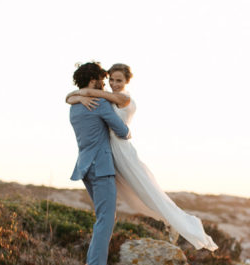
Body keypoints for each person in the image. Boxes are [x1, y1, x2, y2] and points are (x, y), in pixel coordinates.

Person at [67, 63, 218, 251]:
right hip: (107, 154)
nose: (112, 84)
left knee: (146, 190)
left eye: (118, 80)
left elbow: (92, 99)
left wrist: (80, 95)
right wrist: (79, 96)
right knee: (122, 203)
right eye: (110, 80)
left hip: (119, 150)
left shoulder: (120, 98)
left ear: (127, 82)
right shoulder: (100, 101)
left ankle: (176, 221)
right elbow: (93, 102)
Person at [69, 62, 131, 265]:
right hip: (101, 167)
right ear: (92, 79)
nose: (104, 84)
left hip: (85, 166)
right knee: (106, 218)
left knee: (103, 217)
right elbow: (122, 132)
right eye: (101, 80)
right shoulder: (100, 103)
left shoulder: (74, 105)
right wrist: (128, 130)